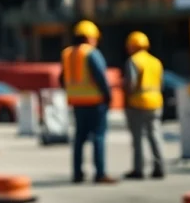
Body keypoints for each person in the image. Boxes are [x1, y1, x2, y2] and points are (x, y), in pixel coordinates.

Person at [60, 20, 116, 184]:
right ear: (90, 37)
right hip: (95, 102)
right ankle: (100, 173)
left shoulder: (67, 54)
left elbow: (62, 78)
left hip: (77, 102)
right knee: (98, 137)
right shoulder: (91, 53)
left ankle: (77, 173)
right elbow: (100, 77)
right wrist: (108, 96)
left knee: (79, 139)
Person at [123, 31, 165, 180]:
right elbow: (161, 83)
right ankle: (159, 167)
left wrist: (126, 99)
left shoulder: (133, 61)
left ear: (132, 46)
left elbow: (131, 84)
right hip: (156, 102)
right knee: (155, 135)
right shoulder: (156, 61)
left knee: (138, 138)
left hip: (138, 103)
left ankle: (138, 169)